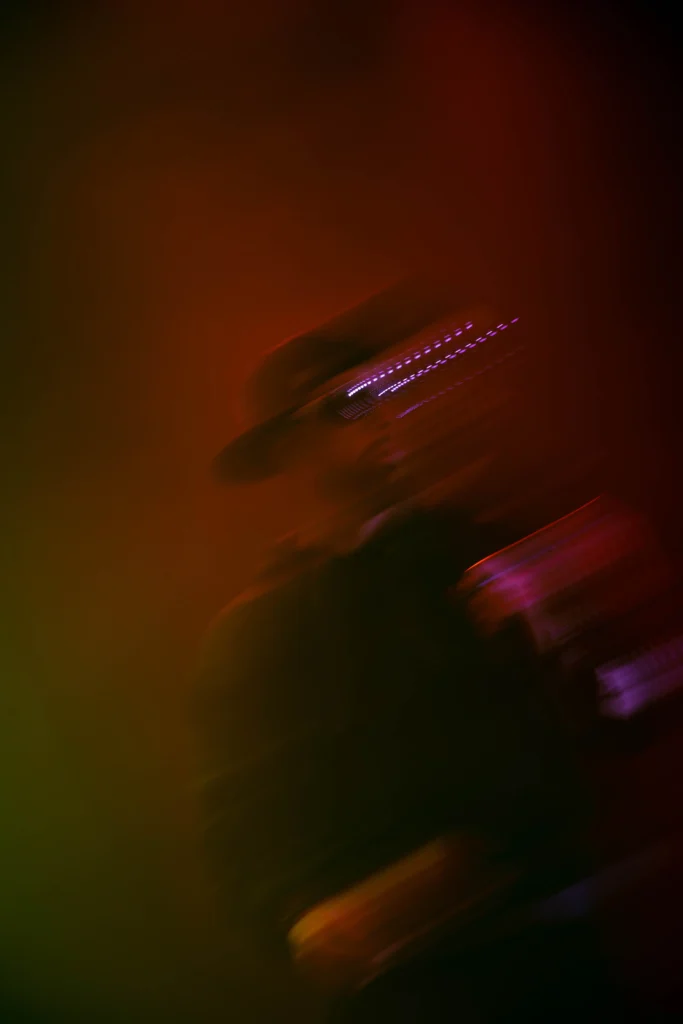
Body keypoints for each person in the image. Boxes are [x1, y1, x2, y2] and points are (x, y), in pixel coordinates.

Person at [194, 281, 592, 1017]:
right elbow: (239, 815)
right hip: (401, 991)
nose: (382, 415)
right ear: (289, 446)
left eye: (381, 391)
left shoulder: (482, 550)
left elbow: (589, 716)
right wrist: (298, 918)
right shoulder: (253, 633)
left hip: (548, 948)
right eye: (347, 404)